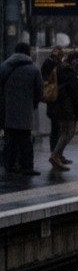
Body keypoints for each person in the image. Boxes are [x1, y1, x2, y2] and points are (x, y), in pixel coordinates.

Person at [1, 42, 44, 175]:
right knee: (25, 139)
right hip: (25, 109)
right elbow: (39, 90)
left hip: (7, 110)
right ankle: (27, 166)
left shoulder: (4, 66)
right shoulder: (33, 69)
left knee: (10, 138)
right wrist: (33, 104)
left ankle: (9, 164)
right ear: (28, 53)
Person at [46, 51, 78, 171]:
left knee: (63, 131)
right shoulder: (70, 74)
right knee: (68, 132)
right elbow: (75, 95)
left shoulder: (58, 69)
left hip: (57, 106)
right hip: (67, 108)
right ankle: (55, 155)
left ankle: (57, 156)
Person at [40, 45, 64, 158]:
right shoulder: (51, 65)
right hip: (55, 100)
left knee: (56, 128)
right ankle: (56, 153)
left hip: (54, 100)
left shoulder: (49, 64)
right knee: (56, 128)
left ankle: (56, 153)